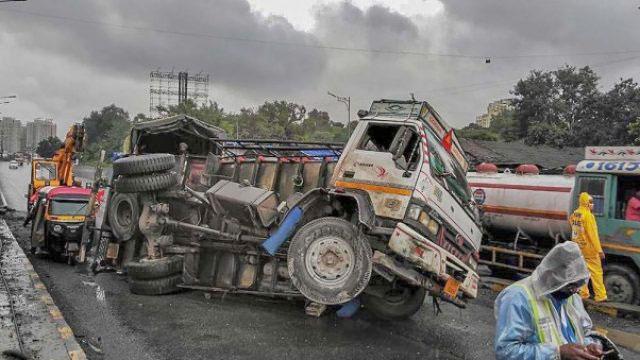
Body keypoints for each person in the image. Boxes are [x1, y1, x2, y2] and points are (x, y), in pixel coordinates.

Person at [495, 242, 604, 360]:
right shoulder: (518, 297)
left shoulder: (571, 296)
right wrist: (557, 352)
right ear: (551, 276)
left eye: (577, 285)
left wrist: (590, 345)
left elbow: (584, 331)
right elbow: (506, 351)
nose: (574, 290)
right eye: (570, 285)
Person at [569, 192, 607, 302]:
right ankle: (600, 296)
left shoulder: (575, 213)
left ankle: (584, 293)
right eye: (590, 202)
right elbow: (593, 235)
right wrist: (599, 250)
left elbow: (571, 223)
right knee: (596, 272)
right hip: (589, 249)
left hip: (578, 247)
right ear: (586, 203)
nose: (593, 204)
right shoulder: (588, 216)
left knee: (581, 271)